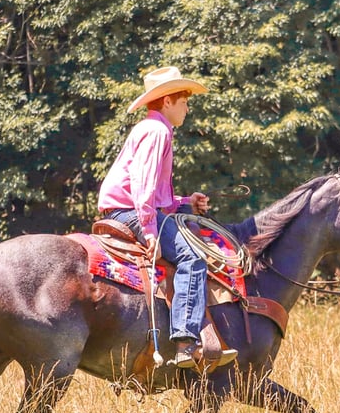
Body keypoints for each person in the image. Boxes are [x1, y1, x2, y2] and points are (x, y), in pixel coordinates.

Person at [97, 66, 238, 369]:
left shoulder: (154, 128)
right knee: (193, 257)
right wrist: (150, 232)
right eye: (184, 101)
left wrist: (187, 203)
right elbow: (143, 187)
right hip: (131, 211)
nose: (188, 108)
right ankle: (186, 341)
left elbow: (156, 195)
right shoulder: (157, 131)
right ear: (167, 102)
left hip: (128, 208)